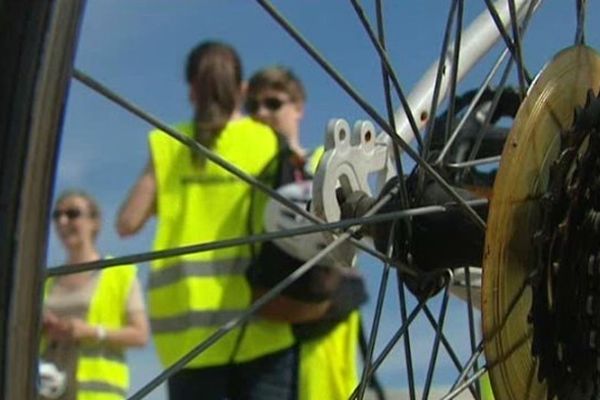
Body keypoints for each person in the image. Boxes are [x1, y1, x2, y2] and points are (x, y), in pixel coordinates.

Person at [116, 41, 301, 400]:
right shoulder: (268, 140)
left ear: (191, 91)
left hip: (189, 341)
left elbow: (127, 222)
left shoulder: (169, 144)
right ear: (242, 89)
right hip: (264, 322)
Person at [245, 66, 365, 400]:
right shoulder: (252, 175)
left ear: (299, 107)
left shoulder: (323, 166)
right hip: (266, 329)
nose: (261, 114)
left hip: (323, 328)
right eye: (252, 107)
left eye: (273, 103)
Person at [41, 189, 149, 400]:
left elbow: (140, 335)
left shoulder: (120, 275)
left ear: (94, 222)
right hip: (47, 391)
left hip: (98, 394)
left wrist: (91, 332)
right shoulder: (46, 281)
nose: (63, 221)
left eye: (72, 214)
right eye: (57, 215)